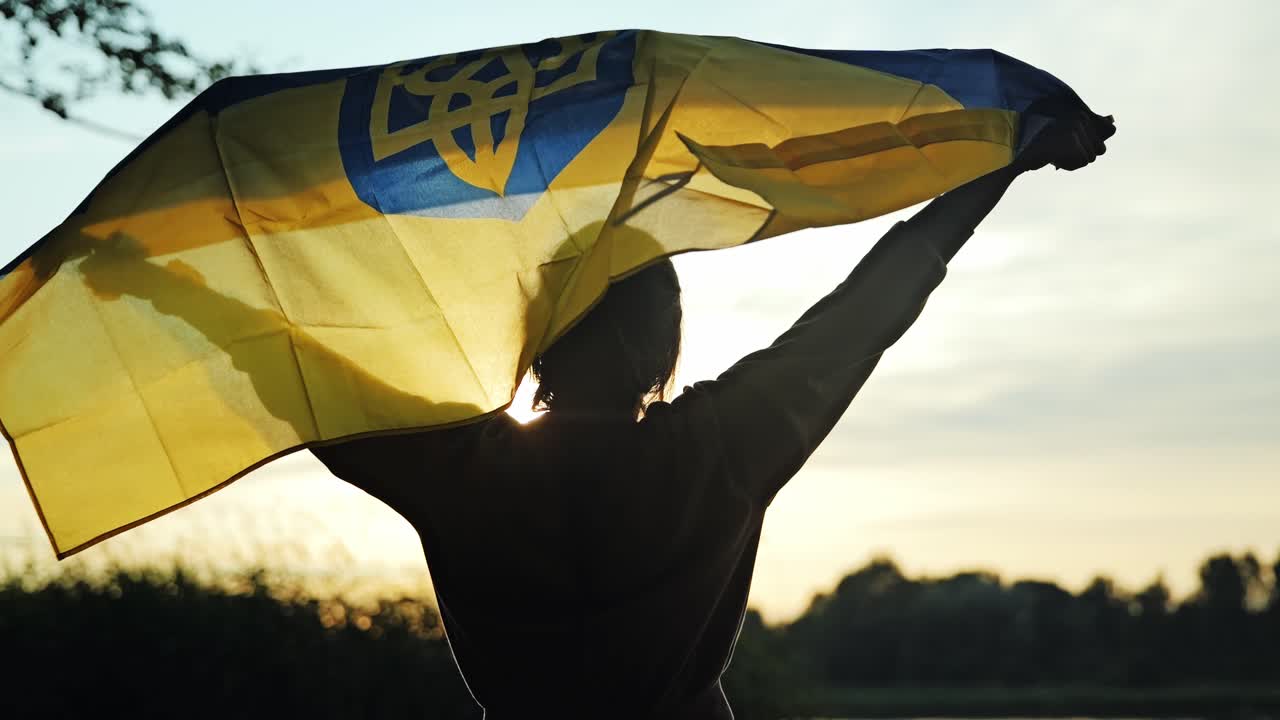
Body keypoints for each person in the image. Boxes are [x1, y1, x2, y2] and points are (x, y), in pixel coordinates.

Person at [312, 110, 1115, 719]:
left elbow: (302, 387)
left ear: (539, 337)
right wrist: (1006, 162)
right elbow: (871, 305)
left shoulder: (464, 469)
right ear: (662, 346)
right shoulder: (721, 449)